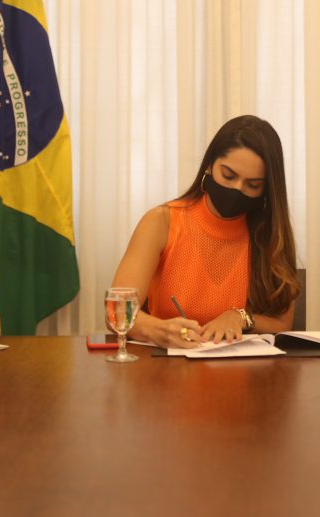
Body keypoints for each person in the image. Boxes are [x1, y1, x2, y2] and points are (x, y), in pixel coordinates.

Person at [111, 115, 300, 348]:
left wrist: (240, 317)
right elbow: (118, 312)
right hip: (167, 364)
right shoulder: (161, 222)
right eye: (228, 175)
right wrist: (158, 330)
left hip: (241, 367)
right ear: (209, 165)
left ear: (267, 190)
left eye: (253, 185)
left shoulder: (272, 235)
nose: (236, 189)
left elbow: (282, 324)